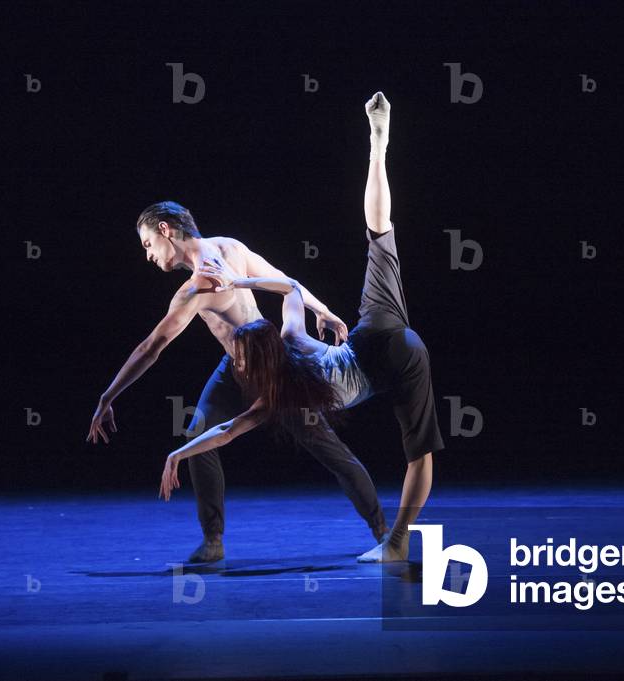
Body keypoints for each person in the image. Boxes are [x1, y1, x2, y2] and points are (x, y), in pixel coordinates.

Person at [160, 92, 444, 563]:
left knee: (417, 454)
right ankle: (379, 149)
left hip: (392, 362)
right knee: (378, 234)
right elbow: (291, 287)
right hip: (380, 333)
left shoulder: (276, 398)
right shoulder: (290, 337)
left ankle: (394, 543)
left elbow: (227, 431)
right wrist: (246, 282)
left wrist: (179, 453)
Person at [87, 202, 389, 563]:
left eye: (148, 244)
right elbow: (283, 282)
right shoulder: (229, 247)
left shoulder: (196, 287)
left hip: (274, 372)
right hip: (234, 368)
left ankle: (385, 533)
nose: (148, 255)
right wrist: (320, 309)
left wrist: (107, 398)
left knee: (330, 450)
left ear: (166, 230)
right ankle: (213, 540)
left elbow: (151, 348)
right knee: (198, 435)